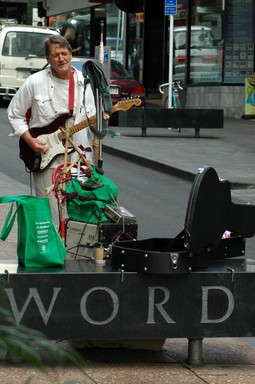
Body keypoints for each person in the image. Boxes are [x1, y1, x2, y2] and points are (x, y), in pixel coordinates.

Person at [7, 34, 110, 225]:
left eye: (64, 53)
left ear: (71, 55)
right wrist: (31, 141)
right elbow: (14, 114)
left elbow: (93, 121)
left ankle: (73, 254)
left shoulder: (85, 83)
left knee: (79, 214)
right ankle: (52, 252)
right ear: (47, 59)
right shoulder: (35, 82)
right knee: (50, 215)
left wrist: (101, 120)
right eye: (55, 55)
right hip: (48, 160)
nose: (61, 59)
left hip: (79, 160)